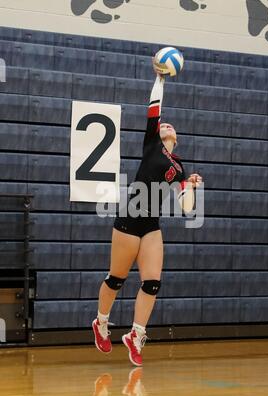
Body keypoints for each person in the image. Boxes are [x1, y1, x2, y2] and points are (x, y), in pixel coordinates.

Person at [92, 58, 203, 367]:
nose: (166, 124)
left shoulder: (179, 167)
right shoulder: (152, 143)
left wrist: (191, 186)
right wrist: (161, 78)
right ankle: (101, 322)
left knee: (152, 283)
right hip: (129, 218)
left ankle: (136, 335)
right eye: (164, 124)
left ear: (176, 138)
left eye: (171, 126)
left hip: (151, 225)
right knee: (117, 278)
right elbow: (154, 106)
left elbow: (186, 208)